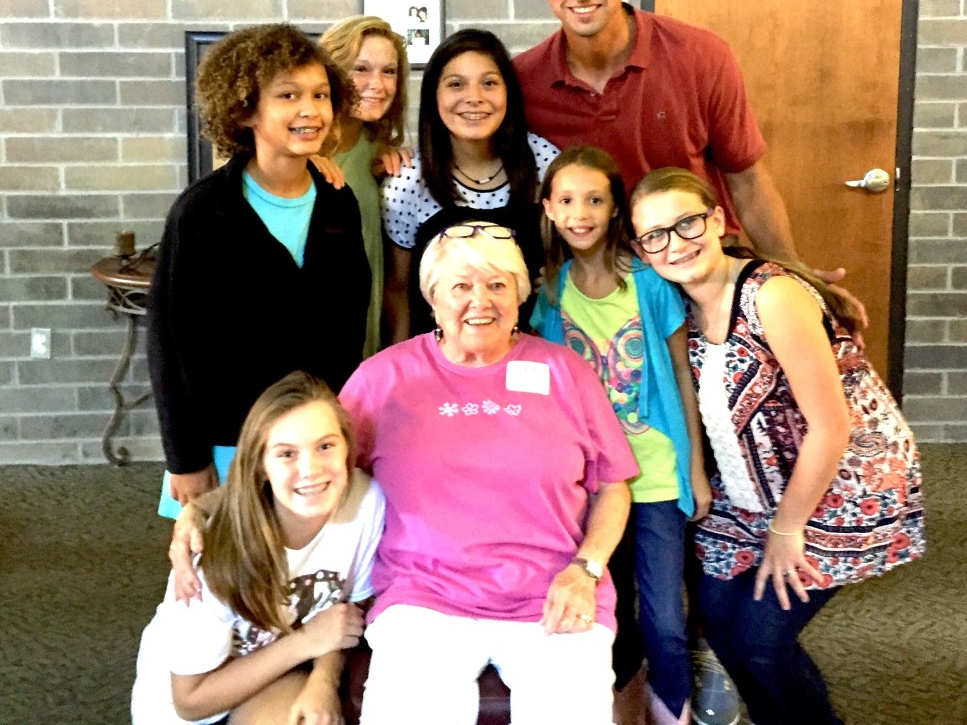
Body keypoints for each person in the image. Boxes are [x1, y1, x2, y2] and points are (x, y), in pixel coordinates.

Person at [627, 167, 926, 725]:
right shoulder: (674, 305)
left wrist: (787, 530)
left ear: (716, 220)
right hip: (746, 485)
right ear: (643, 251)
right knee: (718, 624)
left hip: (838, 484)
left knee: (761, 640)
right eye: (655, 236)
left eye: (687, 223)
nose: (676, 244)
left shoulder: (773, 294)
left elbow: (831, 427)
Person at [342, 222, 637, 724]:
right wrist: (207, 512)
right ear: (432, 298)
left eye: (498, 285)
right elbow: (316, 466)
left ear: (520, 296)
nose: (481, 300)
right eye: (461, 286)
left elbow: (613, 484)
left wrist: (585, 570)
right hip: (424, 597)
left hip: (554, 591)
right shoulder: (382, 379)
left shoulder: (566, 373)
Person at [514, 0, 861, 319]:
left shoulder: (700, 56)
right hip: (595, 296)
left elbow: (746, 180)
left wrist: (795, 274)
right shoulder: (524, 81)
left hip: (700, 280)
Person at [147, 23, 370, 513]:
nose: (309, 110)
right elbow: (170, 342)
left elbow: (348, 326)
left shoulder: (338, 203)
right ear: (246, 108)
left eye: (320, 95)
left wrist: (341, 430)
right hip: (228, 439)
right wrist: (184, 458)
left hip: (312, 441)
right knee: (227, 576)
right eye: (288, 95)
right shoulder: (202, 212)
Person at [532, 147, 712, 725]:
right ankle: (614, 706)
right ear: (549, 209)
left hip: (655, 472)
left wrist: (697, 468)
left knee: (664, 615)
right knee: (605, 606)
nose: (580, 212)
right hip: (587, 481)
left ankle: (673, 710)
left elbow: (683, 373)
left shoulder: (651, 284)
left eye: (595, 199)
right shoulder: (549, 293)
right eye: (566, 200)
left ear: (615, 210)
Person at [132, 372, 386, 725]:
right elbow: (189, 702)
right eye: (286, 454)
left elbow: (343, 612)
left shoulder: (365, 502)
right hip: (193, 704)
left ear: (347, 449)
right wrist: (304, 643)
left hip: (276, 680)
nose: (311, 469)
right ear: (261, 466)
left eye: (325, 446)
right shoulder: (212, 550)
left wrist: (322, 680)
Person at [382, 28, 559, 342]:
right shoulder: (408, 180)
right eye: (455, 84)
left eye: (489, 83)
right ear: (434, 96)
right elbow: (398, 291)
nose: (474, 97)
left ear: (509, 93)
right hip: (440, 361)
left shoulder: (544, 163)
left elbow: (567, 261)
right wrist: (400, 369)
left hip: (528, 356)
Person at [318, 15, 410, 357]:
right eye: (361, 69)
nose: (378, 84)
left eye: (389, 71)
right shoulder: (301, 157)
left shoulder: (377, 152)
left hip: (366, 341)